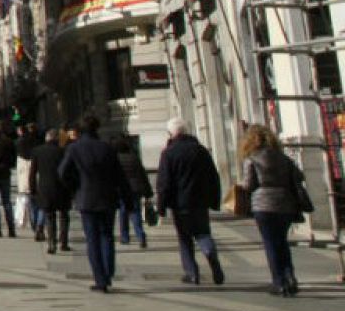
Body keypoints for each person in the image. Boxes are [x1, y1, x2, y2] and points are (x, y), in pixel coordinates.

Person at [59, 115, 127, 292]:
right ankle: (108, 271)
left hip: (86, 198)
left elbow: (63, 172)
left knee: (92, 239)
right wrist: (125, 197)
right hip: (108, 198)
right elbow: (119, 175)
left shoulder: (74, 148)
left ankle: (100, 279)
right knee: (107, 236)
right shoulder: (107, 148)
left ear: (80, 131)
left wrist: (75, 187)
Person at [155, 117, 224, 286]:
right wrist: (215, 200)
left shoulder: (169, 153)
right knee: (203, 233)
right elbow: (213, 177)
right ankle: (209, 252)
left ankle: (192, 273)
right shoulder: (200, 150)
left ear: (171, 133)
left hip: (180, 204)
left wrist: (161, 205)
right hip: (200, 202)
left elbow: (164, 182)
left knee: (184, 238)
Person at [240, 125, 306, 296]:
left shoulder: (252, 159)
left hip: (263, 206)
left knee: (271, 243)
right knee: (282, 242)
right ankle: (290, 276)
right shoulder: (283, 158)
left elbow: (249, 185)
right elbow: (299, 176)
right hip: (286, 204)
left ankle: (279, 282)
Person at [27, 129, 71, 253]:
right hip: (63, 188)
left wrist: (32, 189)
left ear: (47, 138)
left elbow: (32, 173)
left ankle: (52, 243)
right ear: (57, 139)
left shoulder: (37, 151)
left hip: (45, 188)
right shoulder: (64, 151)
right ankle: (64, 242)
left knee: (50, 216)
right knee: (64, 215)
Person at [112, 134, 151, 248]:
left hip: (122, 189)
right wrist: (147, 190)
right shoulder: (134, 157)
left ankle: (125, 237)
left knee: (123, 213)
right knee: (136, 213)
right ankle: (140, 235)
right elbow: (142, 174)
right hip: (136, 188)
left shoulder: (116, 159)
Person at [14, 124, 41, 238]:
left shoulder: (19, 143)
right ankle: (38, 224)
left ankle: (35, 224)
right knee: (37, 202)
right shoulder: (37, 142)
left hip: (24, 176)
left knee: (29, 201)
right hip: (37, 175)